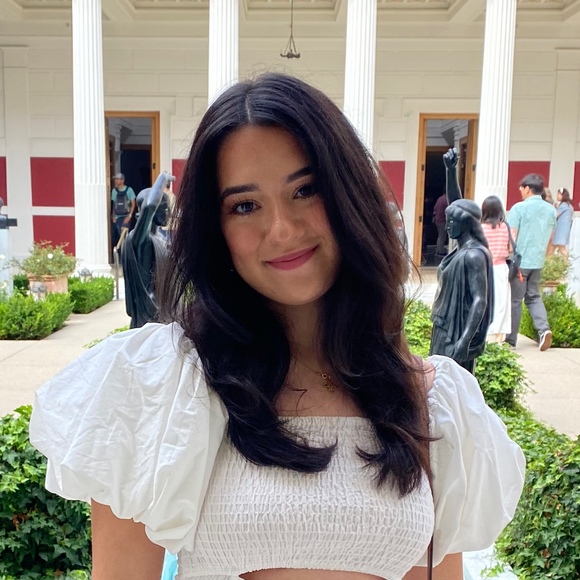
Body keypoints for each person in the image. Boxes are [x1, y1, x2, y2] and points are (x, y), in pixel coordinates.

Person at [29, 73, 525, 580]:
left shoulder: (429, 399)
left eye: (306, 190)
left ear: (349, 194)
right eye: (245, 205)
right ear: (216, 229)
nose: (283, 230)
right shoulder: (160, 387)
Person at [430, 199, 494, 374]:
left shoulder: (473, 255)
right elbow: (456, 199)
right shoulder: (459, 251)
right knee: (439, 378)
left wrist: (465, 340)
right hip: (443, 326)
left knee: (453, 381)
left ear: (466, 223)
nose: (447, 226)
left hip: (456, 331)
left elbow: (480, 300)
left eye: (451, 221)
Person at [506, 174, 557, 351]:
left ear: (528, 188)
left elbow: (512, 236)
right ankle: (544, 330)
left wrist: (507, 254)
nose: (520, 191)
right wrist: (545, 255)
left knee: (515, 300)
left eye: (521, 188)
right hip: (538, 260)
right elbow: (551, 238)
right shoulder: (551, 210)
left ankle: (510, 340)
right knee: (533, 296)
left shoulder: (519, 208)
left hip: (520, 262)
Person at [121, 172, 173, 329]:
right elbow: (149, 207)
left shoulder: (161, 240)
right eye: (165, 208)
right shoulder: (139, 240)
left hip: (163, 314)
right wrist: (162, 179)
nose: (169, 213)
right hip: (147, 320)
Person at [481, 196, 512, 344]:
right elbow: (510, 248)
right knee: (502, 302)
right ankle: (499, 337)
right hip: (501, 267)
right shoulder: (504, 227)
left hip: (485, 267)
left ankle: (486, 334)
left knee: (487, 300)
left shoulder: (481, 228)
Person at [111, 173, 136, 247]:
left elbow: (133, 204)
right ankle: (121, 250)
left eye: (117, 179)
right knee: (119, 235)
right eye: (115, 179)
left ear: (122, 180)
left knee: (124, 235)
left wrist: (129, 216)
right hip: (117, 217)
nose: (116, 181)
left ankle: (125, 250)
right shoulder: (114, 191)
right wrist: (113, 216)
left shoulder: (129, 190)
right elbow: (114, 204)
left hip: (126, 216)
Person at [549, 187, 574, 256]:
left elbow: (555, 215)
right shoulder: (569, 205)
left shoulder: (563, 205)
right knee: (554, 247)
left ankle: (565, 261)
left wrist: (554, 208)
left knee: (561, 248)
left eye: (558, 194)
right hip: (564, 229)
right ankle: (549, 260)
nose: (557, 196)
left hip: (561, 230)